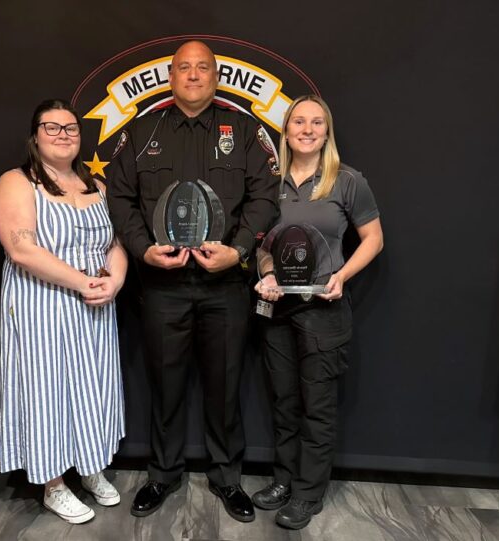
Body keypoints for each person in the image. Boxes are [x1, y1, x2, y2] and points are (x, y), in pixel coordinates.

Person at [107, 40, 279, 523]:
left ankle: (227, 477)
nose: (194, 75)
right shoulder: (142, 132)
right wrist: (142, 249)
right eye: (184, 68)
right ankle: (162, 473)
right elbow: (120, 199)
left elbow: (265, 197)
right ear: (170, 77)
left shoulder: (242, 130)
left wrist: (239, 249)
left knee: (225, 386)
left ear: (217, 77)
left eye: (203, 68)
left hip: (226, 286)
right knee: (165, 384)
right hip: (162, 286)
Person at [0, 99, 127, 524]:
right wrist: (84, 282)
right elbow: (22, 249)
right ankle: (52, 483)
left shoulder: (97, 186)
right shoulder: (17, 182)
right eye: (52, 128)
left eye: (71, 128)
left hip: (95, 306)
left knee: (93, 388)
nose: (63, 135)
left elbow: (115, 246)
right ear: (35, 136)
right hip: (41, 304)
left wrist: (115, 280)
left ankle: (90, 467)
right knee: (46, 390)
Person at [251, 95, 383, 529]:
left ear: (327, 132)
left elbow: (374, 239)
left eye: (317, 123)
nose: (307, 129)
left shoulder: (347, 181)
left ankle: (308, 494)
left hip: (323, 312)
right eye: (299, 122)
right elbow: (264, 246)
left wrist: (342, 275)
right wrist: (267, 274)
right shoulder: (268, 184)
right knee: (284, 403)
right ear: (285, 131)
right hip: (279, 311)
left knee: (317, 407)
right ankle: (284, 481)